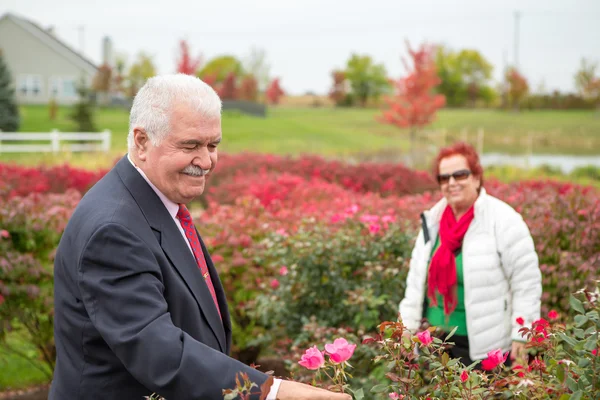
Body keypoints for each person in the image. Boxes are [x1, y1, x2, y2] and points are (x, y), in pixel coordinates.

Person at [50, 74, 350, 400]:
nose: (206, 161)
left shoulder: (154, 203)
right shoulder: (114, 231)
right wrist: (272, 393)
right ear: (141, 142)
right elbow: (158, 351)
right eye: (191, 145)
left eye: (213, 145)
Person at [398, 142, 542, 367]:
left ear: (476, 177)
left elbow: (526, 284)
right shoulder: (432, 222)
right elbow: (415, 284)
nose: (451, 183)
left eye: (460, 175)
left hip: (483, 347)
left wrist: (521, 336)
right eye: (444, 178)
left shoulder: (504, 220)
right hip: (433, 343)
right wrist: (406, 329)